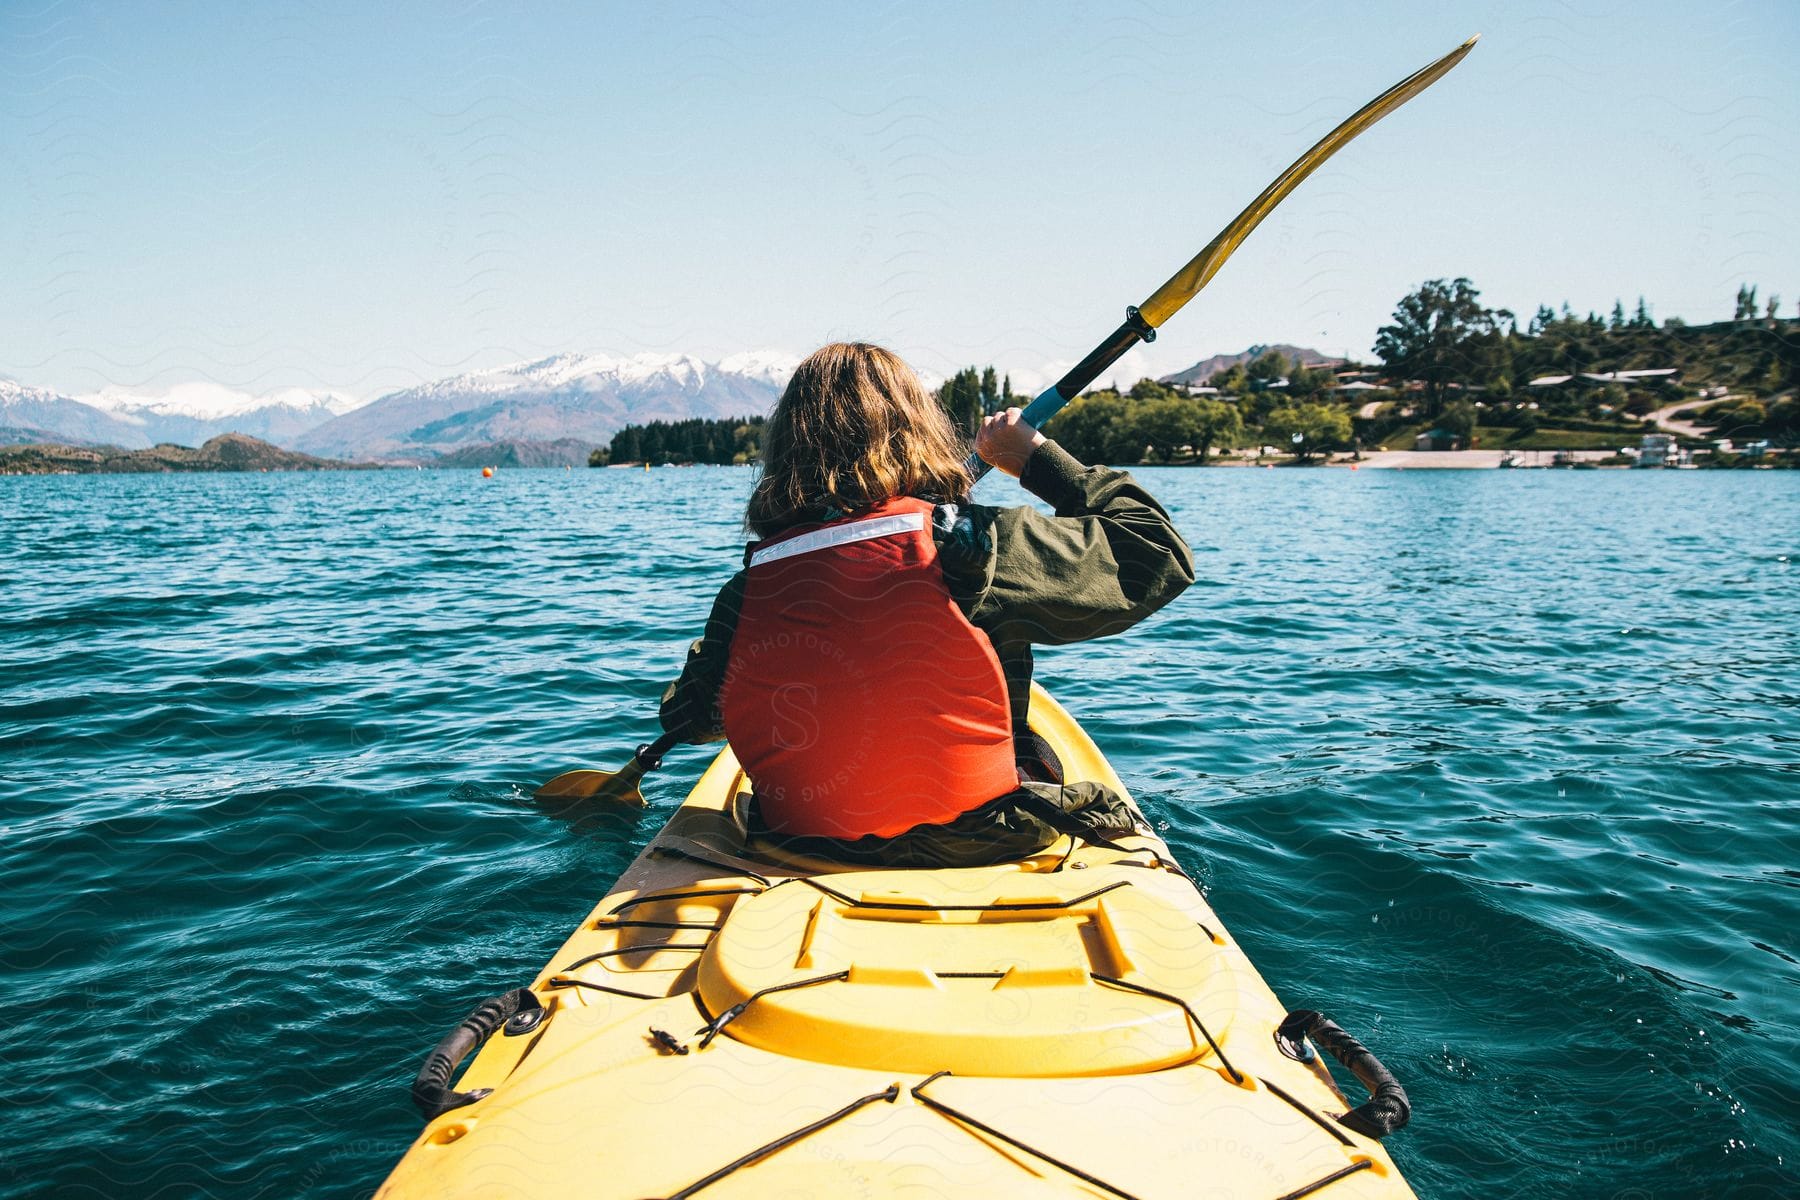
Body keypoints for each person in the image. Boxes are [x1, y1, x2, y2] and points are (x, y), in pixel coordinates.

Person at [659, 342, 1194, 867]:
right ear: (918, 431)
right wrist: (1035, 459)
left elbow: (692, 720)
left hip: (801, 844)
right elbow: (1154, 555)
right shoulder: (969, 544)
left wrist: (730, 644)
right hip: (984, 838)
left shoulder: (749, 586)